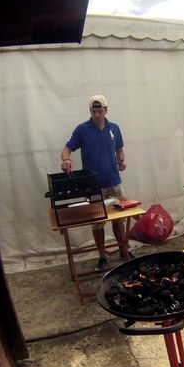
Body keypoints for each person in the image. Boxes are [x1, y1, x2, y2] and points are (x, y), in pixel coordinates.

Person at [61, 95, 130, 271]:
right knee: (98, 222)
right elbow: (67, 149)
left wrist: (122, 160)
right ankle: (102, 255)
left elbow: (119, 148)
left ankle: (123, 250)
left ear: (106, 110)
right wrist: (66, 160)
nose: (97, 114)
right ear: (90, 111)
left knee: (119, 219)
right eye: (94, 111)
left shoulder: (114, 128)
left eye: (100, 111)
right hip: (94, 185)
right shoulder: (82, 130)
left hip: (114, 181)